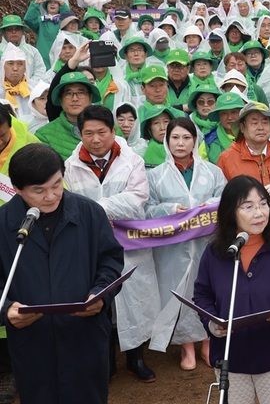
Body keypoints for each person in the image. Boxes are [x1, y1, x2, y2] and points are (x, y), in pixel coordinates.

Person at [0, 144, 123, 403]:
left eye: (57, 184)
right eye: (38, 190)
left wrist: (100, 295)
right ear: (19, 189)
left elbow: (110, 261)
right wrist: (7, 309)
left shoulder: (89, 212)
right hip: (32, 344)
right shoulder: (4, 224)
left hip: (84, 337)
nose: (51, 196)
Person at [193, 175, 270, 403]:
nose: (259, 213)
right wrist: (210, 322)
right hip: (231, 357)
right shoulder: (216, 252)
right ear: (230, 211)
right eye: (248, 206)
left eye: (263, 204)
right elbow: (202, 295)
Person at [62, 105, 156, 382]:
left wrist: (94, 210)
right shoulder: (70, 165)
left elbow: (137, 199)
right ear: (80, 134)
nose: (95, 139)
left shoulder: (132, 160)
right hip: (91, 247)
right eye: (88, 133)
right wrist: (99, 214)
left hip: (130, 244)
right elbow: (67, 204)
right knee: (99, 301)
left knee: (135, 301)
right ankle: (106, 361)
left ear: (113, 131)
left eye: (102, 132)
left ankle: (135, 359)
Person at [146, 117, 226, 369]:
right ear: (166, 141)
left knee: (208, 290)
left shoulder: (212, 171)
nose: (180, 143)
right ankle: (186, 347)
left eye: (186, 137)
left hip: (206, 243)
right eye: (175, 138)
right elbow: (147, 209)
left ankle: (207, 343)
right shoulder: (156, 175)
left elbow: (224, 198)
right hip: (172, 249)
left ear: (195, 140)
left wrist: (210, 205)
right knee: (178, 294)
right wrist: (169, 209)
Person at [216, 102, 270, 218]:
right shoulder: (227, 158)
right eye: (254, 123)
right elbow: (220, 198)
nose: (261, 127)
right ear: (242, 127)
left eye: (265, 122)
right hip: (245, 230)